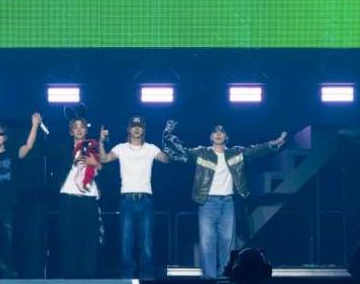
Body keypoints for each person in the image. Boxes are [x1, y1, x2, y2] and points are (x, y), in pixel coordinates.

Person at [162, 120, 286, 280]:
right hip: (206, 203)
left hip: (228, 203)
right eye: (215, 131)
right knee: (207, 243)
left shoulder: (236, 152)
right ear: (210, 136)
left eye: (222, 131)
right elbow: (180, 150)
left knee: (228, 242)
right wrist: (168, 132)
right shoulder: (202, 153)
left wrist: (272, 144)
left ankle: (225, 277)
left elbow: (255, 151)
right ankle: (209, 278)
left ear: (226, 136)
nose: (218, 134)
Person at [98, 115, 170, 279]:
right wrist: (101, 141)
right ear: (128, 129)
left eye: (140, 126)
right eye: (133, 126)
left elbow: (166, 159)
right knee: (126, 242)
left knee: (147, 243)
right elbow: (104, 159)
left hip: (146, 201)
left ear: (144, 130)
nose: (136, 129)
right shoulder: (121, 148)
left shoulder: (151, 148)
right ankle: (127, 278)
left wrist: (169, 142)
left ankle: (147, 277)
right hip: (127, 201)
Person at [0, 113, 42, 278]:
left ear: (6, 137)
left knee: (8, 241)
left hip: (8, 204)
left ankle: (5, 269)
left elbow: (28, 146)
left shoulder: (12, 153)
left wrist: (34, 125)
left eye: (0, 134)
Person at [53, 113, 102, 278]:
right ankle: (69, 276)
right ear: (71, 131)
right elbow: (55, 169)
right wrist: (73, 160)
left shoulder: (95, 147)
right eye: (76, 127)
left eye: (82, 127)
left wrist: (96, 164)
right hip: (68, 198)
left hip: (89, 199)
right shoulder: (63, 149)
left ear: (86, 130)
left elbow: (108, 170)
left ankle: (88, 275)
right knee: (68, 238)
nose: (79, 130)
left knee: (90, 239)